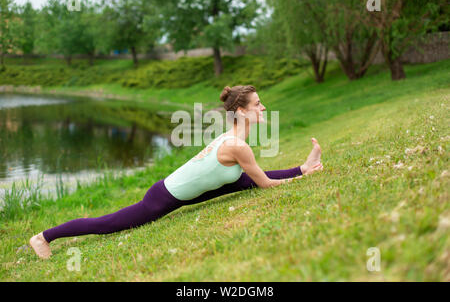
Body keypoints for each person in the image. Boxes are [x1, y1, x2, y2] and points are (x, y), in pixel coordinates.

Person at [29, 85, 323, 259]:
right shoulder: (237, 146)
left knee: (243, 181)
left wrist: (301, 168)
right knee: (107, 224)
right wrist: (302, 177)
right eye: (258, 104)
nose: (263, 108)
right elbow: (266, 184)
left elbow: (252, 178)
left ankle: (304, 165)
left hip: (178, 192)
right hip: (162, 199)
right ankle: (44, 237)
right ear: (242, 111)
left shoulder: (233, 141)